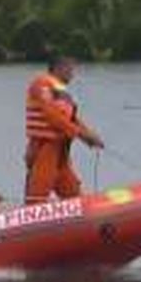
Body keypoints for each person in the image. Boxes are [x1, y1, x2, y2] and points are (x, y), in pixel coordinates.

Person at [24, 56, 104, 204]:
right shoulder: (42, 84)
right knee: (36, 201)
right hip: (44, 149)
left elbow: (71, 119)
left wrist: (89, 134)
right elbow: (52, 115)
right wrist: (82, 135)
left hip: (61, 153)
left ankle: (86, 223)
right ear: (58, 68)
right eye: (70, 69)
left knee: (75, 199)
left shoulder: (62, 92)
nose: (72, 74)